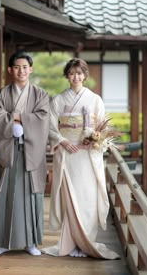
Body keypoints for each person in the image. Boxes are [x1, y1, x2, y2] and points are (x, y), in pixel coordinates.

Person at [41, 58, 119, 259]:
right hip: (67, 154)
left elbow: (103, 127)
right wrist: (62, 140)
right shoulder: (58, 100)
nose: (75, 77)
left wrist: (94, 140)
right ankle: (70, 243)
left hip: (87, 155)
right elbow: (50, 127)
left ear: (85, 75)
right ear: (67, 75)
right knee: (70, 199)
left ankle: (86, 242)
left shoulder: (95, 100)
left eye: (79, 73)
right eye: (72, 73)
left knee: (87, 198)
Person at [0, 50, 49, 256]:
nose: (21, 71)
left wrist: (17, 118)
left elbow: (42, 118)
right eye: (17, 67)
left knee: (31, 196)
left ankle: (30, 242)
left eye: (25, 67)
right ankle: (3, 242)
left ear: (30, 69)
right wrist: (15, 122)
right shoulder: (2, 94)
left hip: (30, 151)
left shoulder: (40, 95)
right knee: (5, 194)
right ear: (10, 70)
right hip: (8, 150)